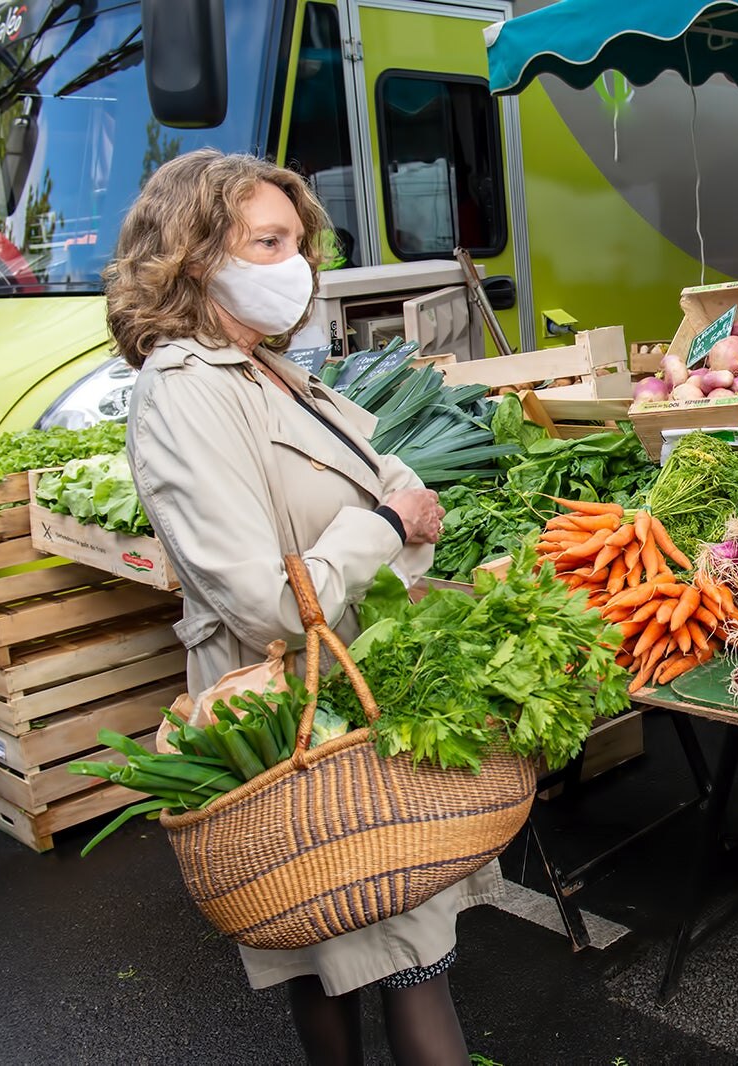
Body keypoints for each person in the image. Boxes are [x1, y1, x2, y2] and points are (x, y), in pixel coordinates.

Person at [104, 150, 496, 1066]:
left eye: (299, 241)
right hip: (288, 708)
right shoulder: (185, 391)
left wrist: (396, 513)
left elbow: (379, 471)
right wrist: (385, 526)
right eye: (268, 241)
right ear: (197, 256)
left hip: (349, 685)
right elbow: (268, 599)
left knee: (347, 950)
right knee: (385, 952)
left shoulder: (264, 368)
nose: (298, 264)